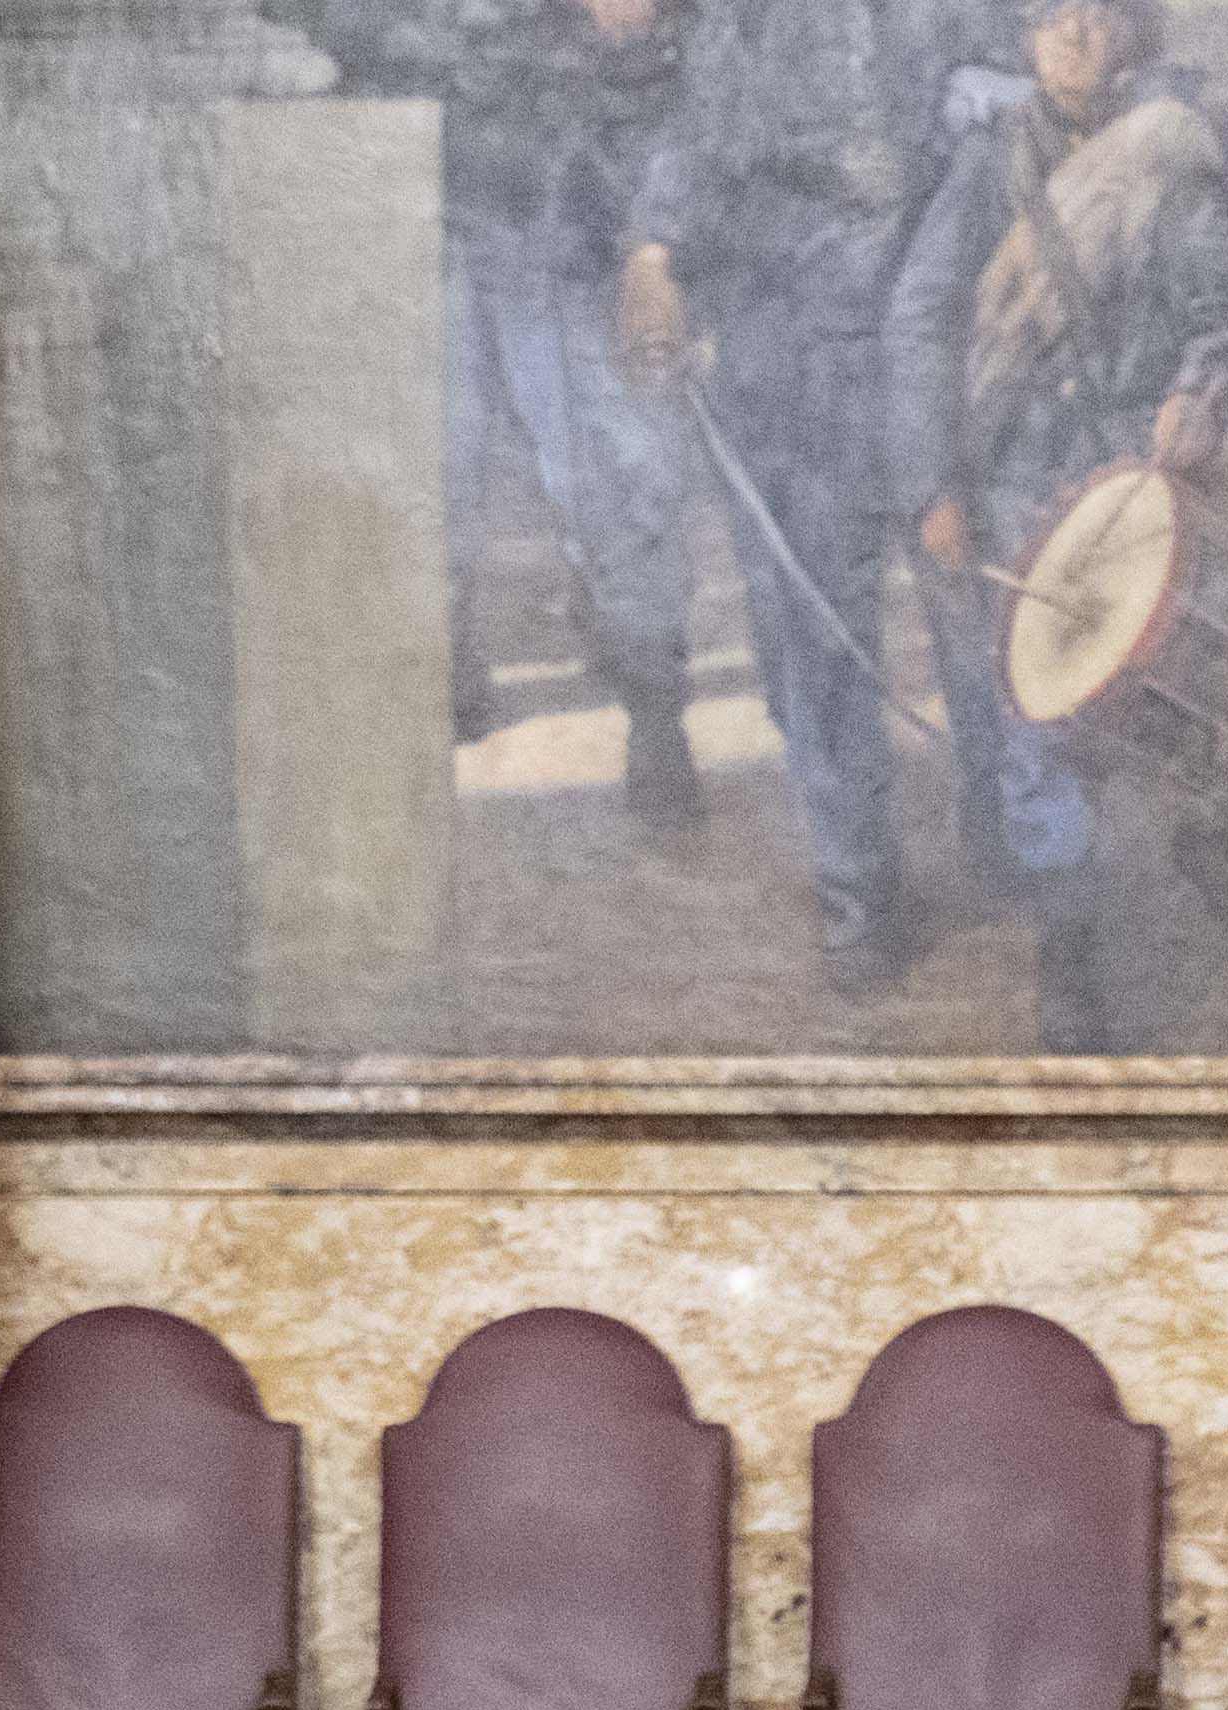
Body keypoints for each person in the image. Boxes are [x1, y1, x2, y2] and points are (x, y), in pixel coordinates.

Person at [899, 0, 1228, 1051]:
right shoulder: (982, 172)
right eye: (1053, 18)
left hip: (1139, 469)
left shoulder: (1169, 160)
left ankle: (1208, 832)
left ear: (1126, 39)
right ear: (1023, 40)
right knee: (1039, 712)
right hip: (1019, 475)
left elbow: (1226, 318)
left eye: (1098, 18)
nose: (1075, 38)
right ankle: (1069, 955)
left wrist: (1199, 396)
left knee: (1188, 673)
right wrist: (933, 480)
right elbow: (921, 321)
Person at [616, 0, 952, 993]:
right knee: (792, 640)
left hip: (905, 330)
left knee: (929, 609)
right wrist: (652, 249)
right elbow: (704, 131)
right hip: (769, 348)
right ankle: (863, 880)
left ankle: (974, 871)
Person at [435, 0, 704, 818]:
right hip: (438, 217)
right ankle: (442, 661)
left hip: (585, 246)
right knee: (431, 472)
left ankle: (656, 717)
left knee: (627, 479)